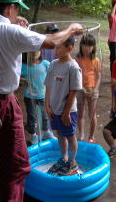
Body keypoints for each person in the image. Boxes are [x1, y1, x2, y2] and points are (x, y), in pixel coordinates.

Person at [0, 0, 83, 201]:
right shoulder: (11, 33)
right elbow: (51, 42)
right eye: (17, 9)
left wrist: (14, 23)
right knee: (16, 166)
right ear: (10, 8)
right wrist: (71, 29)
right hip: (4, 106)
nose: (18, 13)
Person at [45, 36, 82, 176]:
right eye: (55, 47)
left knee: (70, 135)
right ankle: (64, 157)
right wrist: (47, 105)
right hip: (54, 109)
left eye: (59, 47)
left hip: (68, 111)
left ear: (69, 48)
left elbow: (74, 91)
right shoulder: (53, 64)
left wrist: (66, 112)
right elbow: (48, 85)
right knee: (60, 134)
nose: (55, 50)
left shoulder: (73, 67)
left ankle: (72, 161)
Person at [21, 50, 56, 145]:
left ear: (41, 52)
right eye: (31, 51)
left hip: (43, 95)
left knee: (44, 114)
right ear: (27, 53)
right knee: (31, 116)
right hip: (29, 96)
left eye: (36, 51)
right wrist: (23, 79)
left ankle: (46, 132)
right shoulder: (24, 66)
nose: (34, 53)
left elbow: (53, 73)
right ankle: (33, 135)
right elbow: (17, 75)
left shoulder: (45, 64)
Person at [75, 34, 101, 143]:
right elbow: (76, 76)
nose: (87, 48)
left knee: (92, 114)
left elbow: (98, 76)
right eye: (85, 45)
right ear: (81, 46)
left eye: (90, 46)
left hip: (92, 90)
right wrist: (82, 90)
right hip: (80, 90)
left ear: (93, 47)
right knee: (81, 114)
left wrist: (95, 89)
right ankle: (81, 135)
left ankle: (91, 136)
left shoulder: (96, 60)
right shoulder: (76, 60)